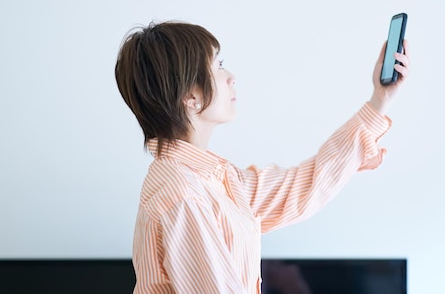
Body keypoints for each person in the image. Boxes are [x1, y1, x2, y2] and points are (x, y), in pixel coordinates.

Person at [114, 21, 410, 294]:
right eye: (218, 65)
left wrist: (379, 100)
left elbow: (303, 186)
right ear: (190, 97)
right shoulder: (183, 195)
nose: (231, 77)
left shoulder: (212, 179)